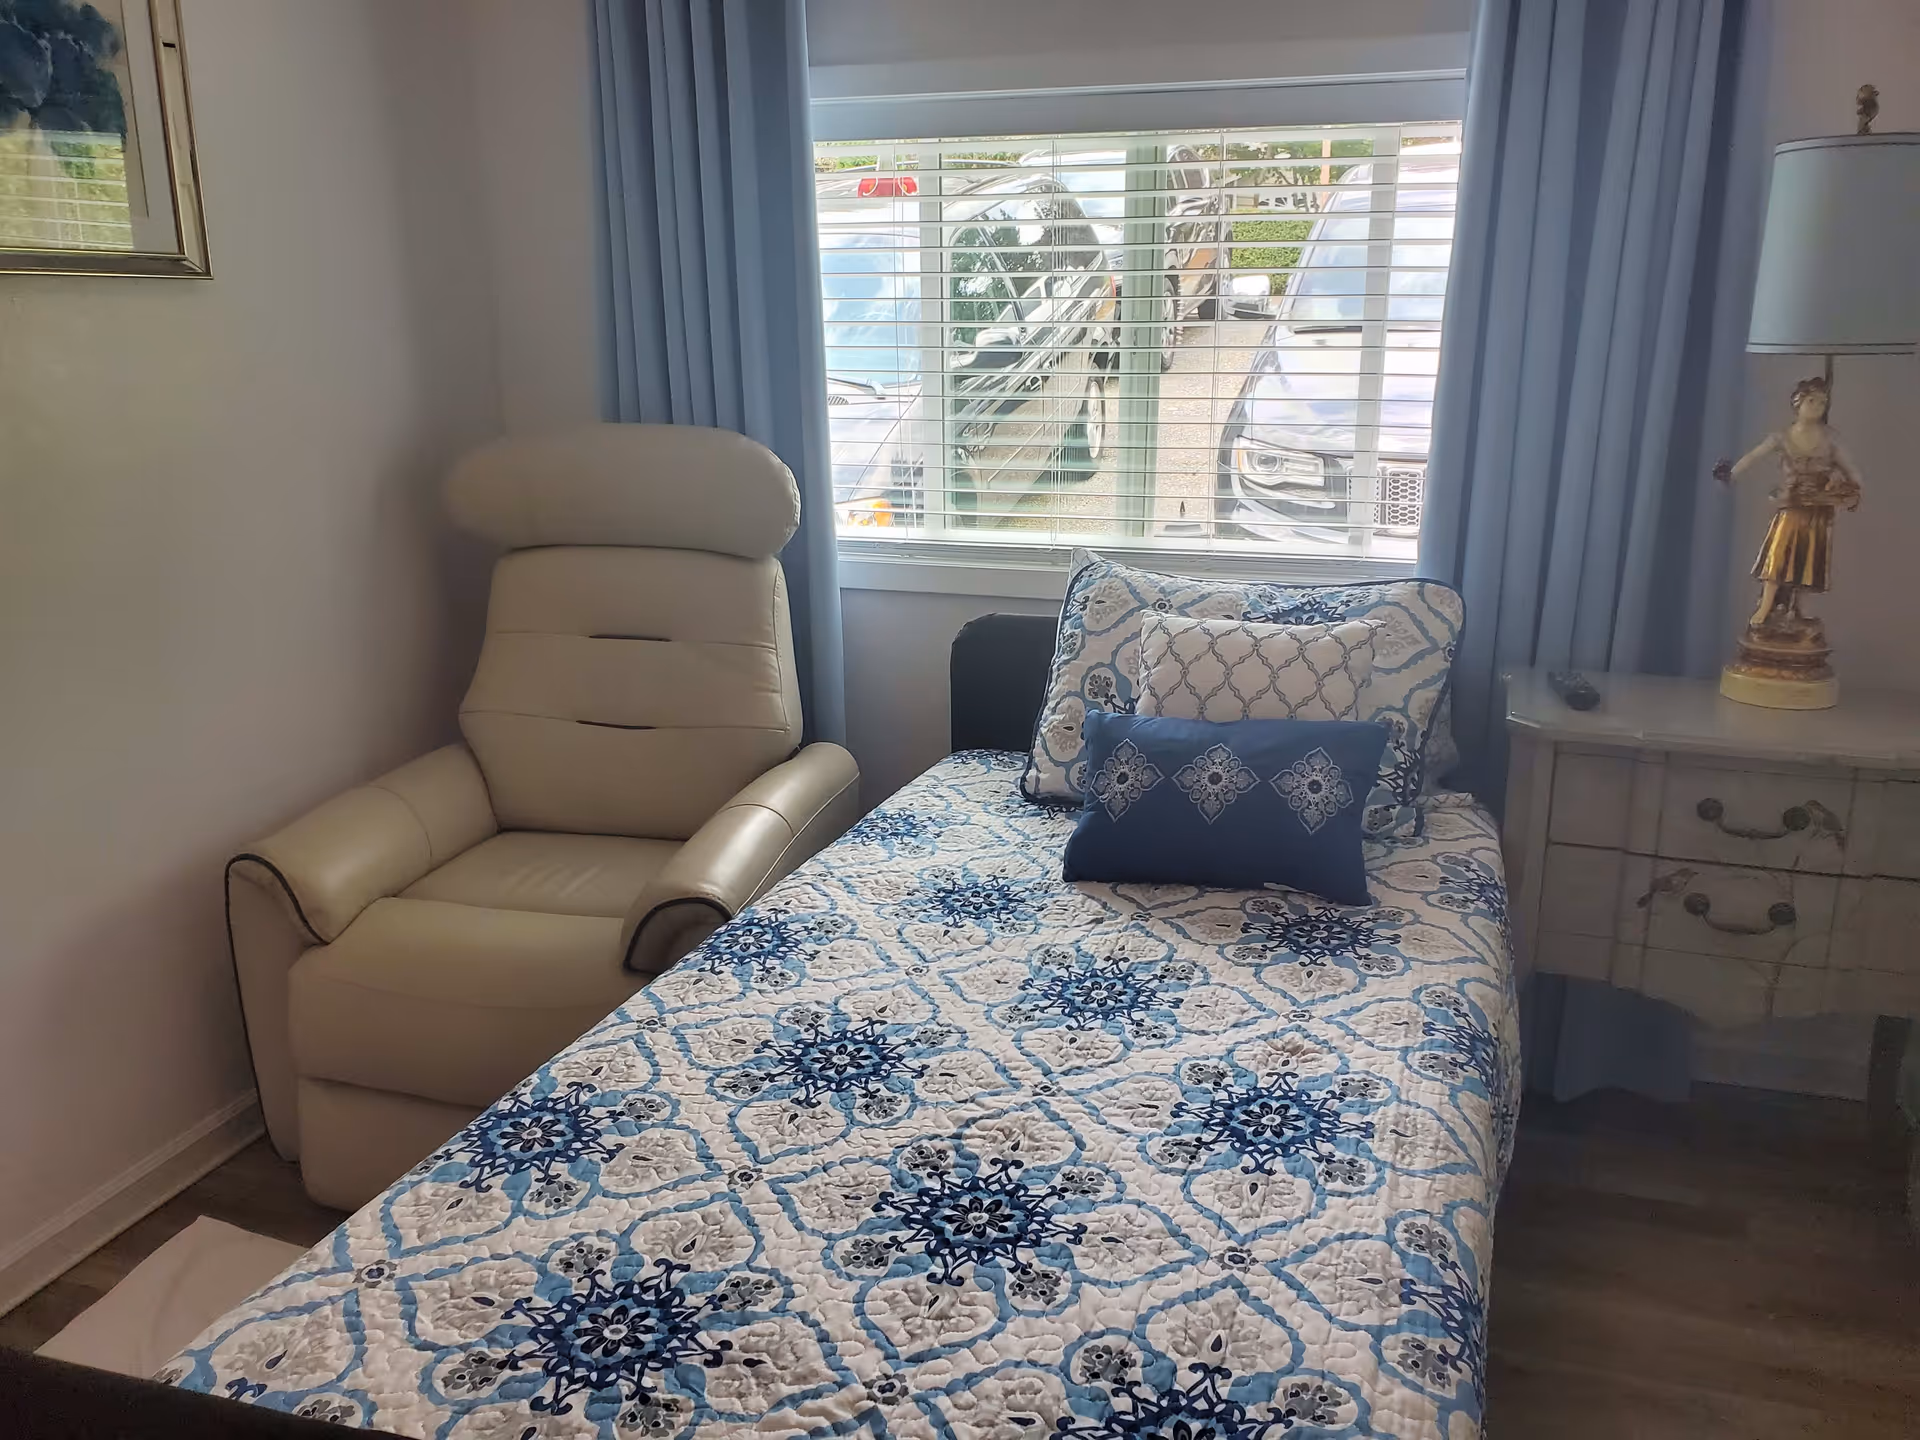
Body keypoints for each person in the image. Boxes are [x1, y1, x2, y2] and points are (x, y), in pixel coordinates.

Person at [1714, 375, 1863, 632]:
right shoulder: (1781, 437)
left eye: (1823, 402)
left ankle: (1799, 608)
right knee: (1778, 554)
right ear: (1797, 402)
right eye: (1812, 400)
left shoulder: (1831, 439)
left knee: (1809, 558)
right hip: (1791, 504)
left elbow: (1851, 470)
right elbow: (1753, 456)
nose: (1818, 406)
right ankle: (1766, 604)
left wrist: (1853, 486)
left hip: (1818, 508)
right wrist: (1732, 474)